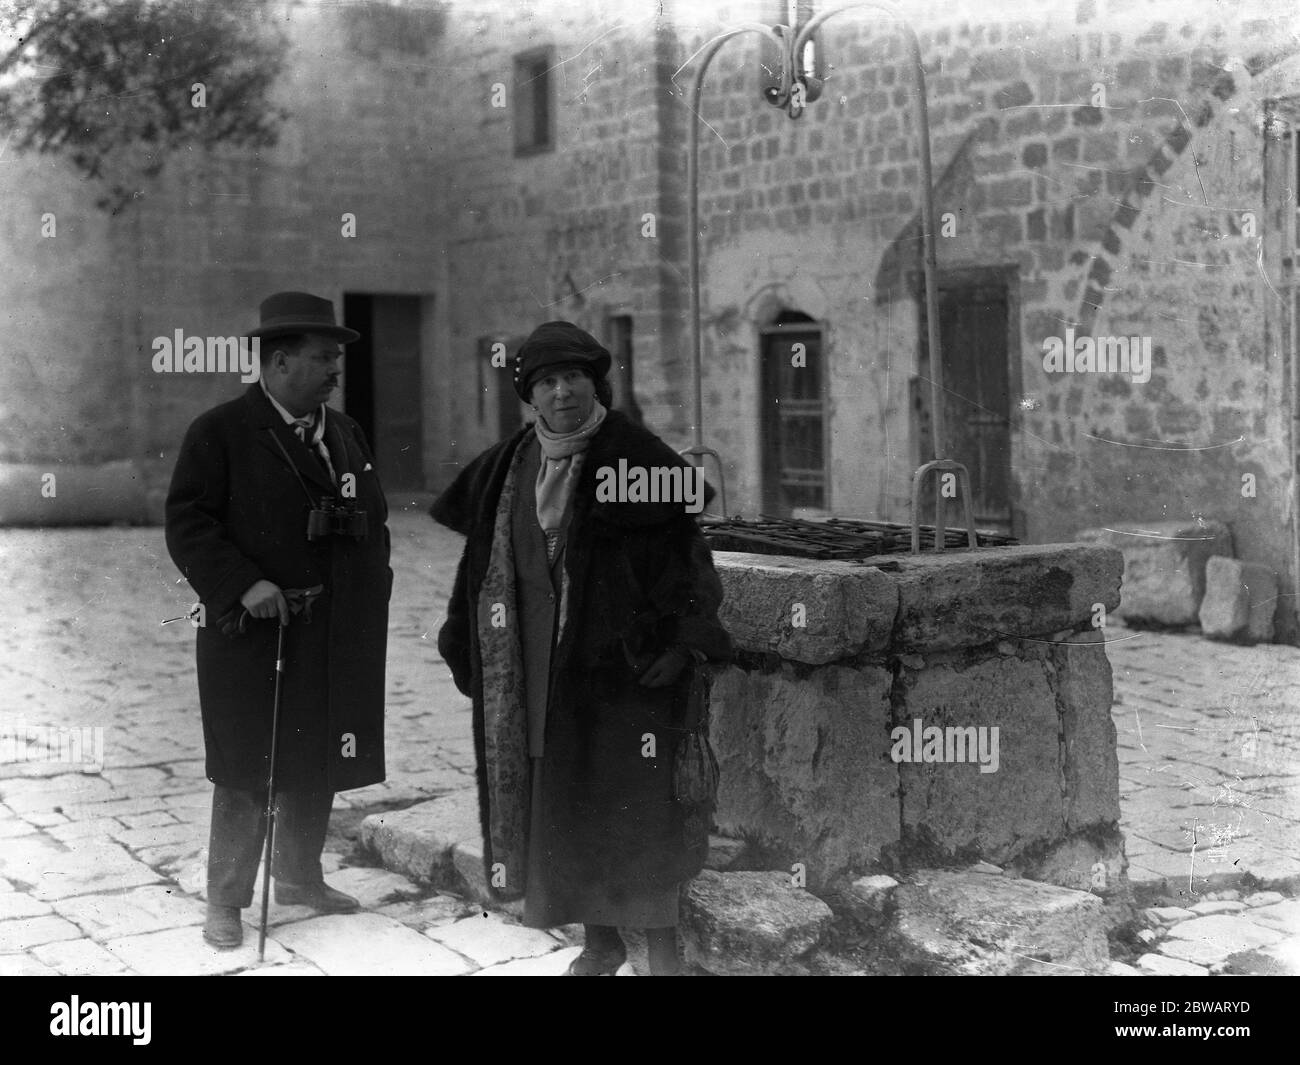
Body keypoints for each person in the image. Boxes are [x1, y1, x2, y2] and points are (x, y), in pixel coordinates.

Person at [431, 320, 732, 975]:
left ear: (595, 383)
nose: (563, 391)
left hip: (624, 670)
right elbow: (478, 563)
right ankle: (601, 943)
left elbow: (689, 561)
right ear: (530, 396)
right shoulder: (507, 468)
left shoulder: (637, 456)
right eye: (547, 381)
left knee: (635, 805)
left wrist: (683, 641)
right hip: (537, 671)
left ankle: (661, 953)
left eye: (574, 377)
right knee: (566, 799)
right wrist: (465, 643)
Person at [165, 291, 392, 950]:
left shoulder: (345, 432)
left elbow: (370, 517)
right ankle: (227, 898)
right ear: (278, 359)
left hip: (333, 630)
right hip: (252, 631)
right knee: (247, 764)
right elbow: (188, 522)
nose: (334, 370)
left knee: (316, 757)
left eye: (336, 358)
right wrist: (244, 583)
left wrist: (370, 586)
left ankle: (298, 876)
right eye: (323, 357)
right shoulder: (221, 431)